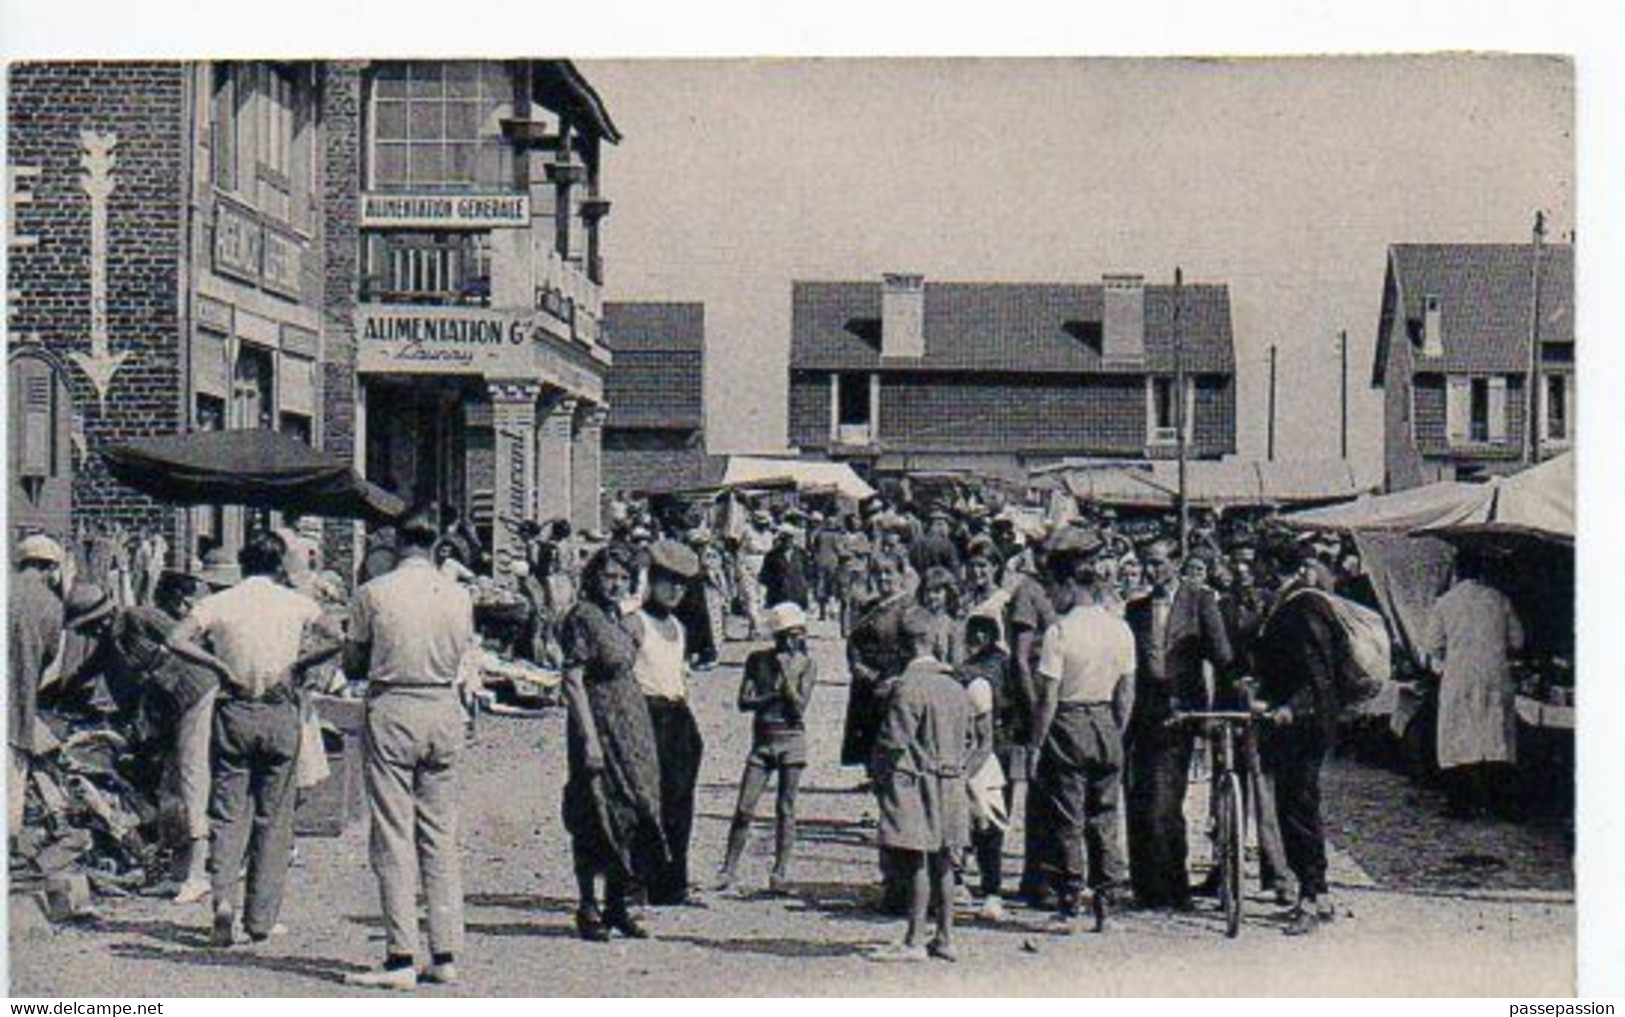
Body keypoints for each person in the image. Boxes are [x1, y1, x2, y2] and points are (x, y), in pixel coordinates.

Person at [167, 531, 340, 947]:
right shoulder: (296, 602)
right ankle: (259, 918)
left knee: (228, 813)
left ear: (242, 565)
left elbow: (175, 638)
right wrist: (297, 666)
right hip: (279, 709)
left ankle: (222, 900)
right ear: (279, 565)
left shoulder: (219, 602)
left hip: (235, 707)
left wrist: (218, 667)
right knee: (274, 817)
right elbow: (337, 637)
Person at [342, 509, 479, 990]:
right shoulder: (459, 595)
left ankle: (400, 955)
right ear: (438, 542)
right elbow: (463, 654)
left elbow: (355, 662)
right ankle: (445, 952)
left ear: (397, 540)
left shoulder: (374, 592)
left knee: (394, 833)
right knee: (440, 833)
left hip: (394, 703)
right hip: (443, 704)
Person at [557, 545, 668, 941]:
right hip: (598, 723)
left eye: (623, 577)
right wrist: (589, 738)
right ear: (594, 576)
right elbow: (572, 680)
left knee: (633, 809)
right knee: (594, 810)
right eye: (609, 576)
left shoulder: (617, 617)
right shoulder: (583, 617)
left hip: (631, 725)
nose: (616, 583)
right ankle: (588, 906)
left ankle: (617, 904)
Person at [1029, 539, 1136, 931]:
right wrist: (1115, 730)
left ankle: (1071, 901)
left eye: (1052, 587)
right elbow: (1127, 692)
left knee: (1067, 816)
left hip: (1067, 723)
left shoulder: (1060, 631)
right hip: (1105, 720)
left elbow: (1048, 697)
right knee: (1105, 816)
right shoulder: (1120, 629)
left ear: (1070, 585)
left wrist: (1037, 744)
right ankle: (1107, 904)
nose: (1050, 596)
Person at [1123, 540, 1232, 910]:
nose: (1151, 571)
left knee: (1166, 801)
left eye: (1156, 562)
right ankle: (1145, 886)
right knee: (1140, 797)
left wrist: (1213, 713)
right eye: (1146, 563)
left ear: (1174, 562)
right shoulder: (1136, 610)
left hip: (1181, 713)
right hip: (1144, 713)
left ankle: (1174, 886)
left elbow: (1221, 657)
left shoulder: (1199, 601)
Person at [870, 609, 974, 963]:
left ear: (904, 646)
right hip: (952, 779)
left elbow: (892, 741)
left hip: (916, 781)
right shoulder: (956, 687)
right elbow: (972, 739)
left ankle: (914, 938)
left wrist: (880, 775)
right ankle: (945, 936)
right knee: (946, 861)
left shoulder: (908, 688)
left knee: (916, 859)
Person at [1249, 556, 1345, 935]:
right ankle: (1319, 894)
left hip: (1302, 724)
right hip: (1296, 719)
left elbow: (1318, 672)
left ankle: (1308, 898)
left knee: (1297, 808)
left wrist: (1291, 706)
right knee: (1298, 804)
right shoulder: (1290, 605)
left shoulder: (1303, 607)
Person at [716, 602, 818, 894]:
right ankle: (728, 869)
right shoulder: (757, 660)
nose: (790, 641)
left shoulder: (807, 664)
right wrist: (774, 693)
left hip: (791, 740)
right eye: (784, 635)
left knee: (785, 808)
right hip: (763, 741)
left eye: (795, 635)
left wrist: (784, 680)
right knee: (744, 807)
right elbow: (743, 701)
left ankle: (780, 871)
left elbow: (799, 707)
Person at [629, 540, 705, 906]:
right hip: (647, 714)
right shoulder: (635, 622)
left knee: (680, 803)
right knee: (648, 803)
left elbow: (678, 676)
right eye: (668, 582)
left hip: (677, 717)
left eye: (682, 584)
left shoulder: (677, 626)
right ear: (652, 580)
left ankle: (673, 883)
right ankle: (641, 880)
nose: (675, 591)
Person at [1424, 552, 1526, 819]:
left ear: (1456, 572)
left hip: (1459, 676)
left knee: (1458, 736)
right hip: (1494, 675)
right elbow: (1517, 641)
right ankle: (1499, 804)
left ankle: (1461, 804)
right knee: (1495, 737)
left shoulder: (1445, 602)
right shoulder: (1499, 599)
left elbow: (1432, 645)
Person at [9, 535, 67, 839]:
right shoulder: (51, 604)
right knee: (11, 784)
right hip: (17, 706)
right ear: (51, 568)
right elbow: (49, 657)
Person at [956, 614, 1010, 919]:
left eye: (981, 633)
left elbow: (984, 738)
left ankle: (990, 890)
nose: (976, 639)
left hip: (985, 756)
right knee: (983, 826)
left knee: (986, 825)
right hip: (987, 753)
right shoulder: (977, 670)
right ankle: (978, 887)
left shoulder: (975, 677)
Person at [840, 553, 913, 769]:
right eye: (878, 573)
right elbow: (854, 639)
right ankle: (871, 770)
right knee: (866, 724)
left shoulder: (907, 607)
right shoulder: (869, 607)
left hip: (891, 675)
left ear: (901, 575)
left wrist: (894, 676)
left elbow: (911, 647)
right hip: (865, 674)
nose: (883, 578)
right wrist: (856, 664)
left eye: (889, 572)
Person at [917, 566, 964, 666]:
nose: (931, 596)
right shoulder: (914, 620)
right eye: (927, 591)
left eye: (937, 591)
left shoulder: (952, 626)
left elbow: (956, 663)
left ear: (948, 594)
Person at [759, 525, 811, 611]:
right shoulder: (772, 555)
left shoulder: (801, 553)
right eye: (784, 539)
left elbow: (808, 572)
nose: (787, 542)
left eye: (789, 539)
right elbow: (765, 575)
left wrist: (806, 585)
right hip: (779, 595)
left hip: (798, 594)